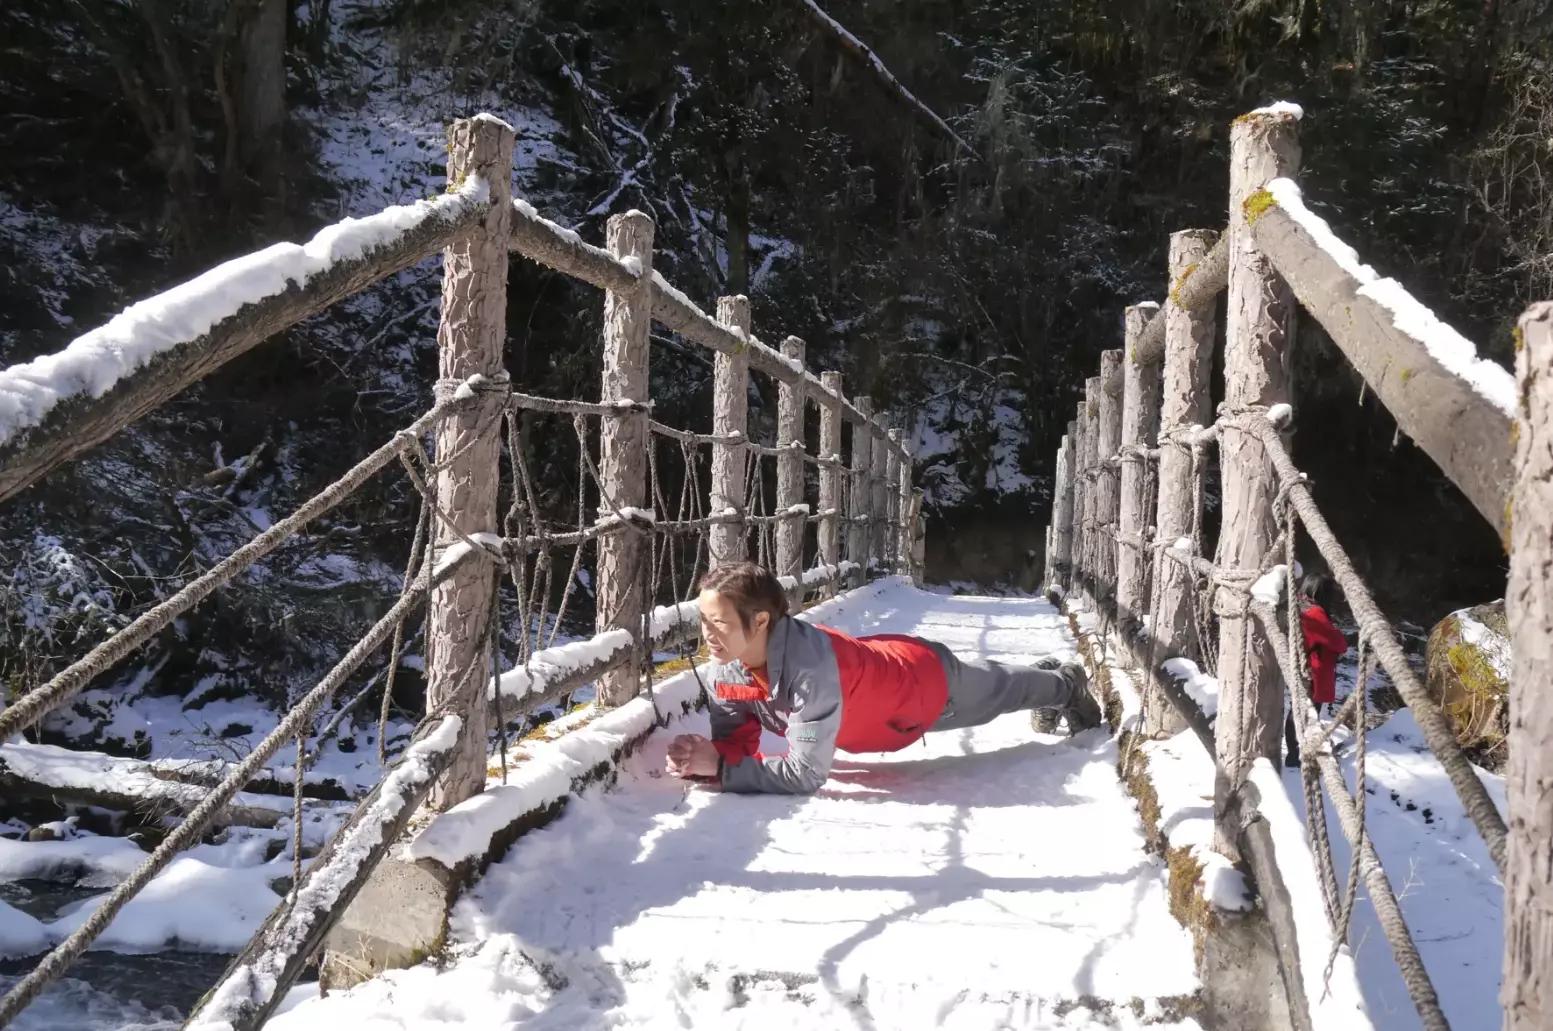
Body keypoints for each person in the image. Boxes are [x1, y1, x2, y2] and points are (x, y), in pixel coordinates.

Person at [665, 561, 1099, 794]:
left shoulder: (812, 671)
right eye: (703, 619)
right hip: (874, 667)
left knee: (1001, 691)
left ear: (759, 621)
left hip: (922, 689)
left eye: (718, 622)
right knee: (1001, 685)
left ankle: (1065, 685)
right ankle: (1050, 680)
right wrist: (702, 758)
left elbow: (804, 775)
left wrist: (721, 767)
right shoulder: (726, 664)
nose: (707, 633)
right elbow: (737, 741)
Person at [1285, 571, 1348, 768]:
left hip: (1305, 667)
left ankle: (1296, 753)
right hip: (1314, 670)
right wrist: (1339, 634)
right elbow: (1338, 643)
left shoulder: (1301, 607)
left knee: (1301, 711)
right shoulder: (1315, 614)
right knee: (1308, 713)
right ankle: (1296, 756)